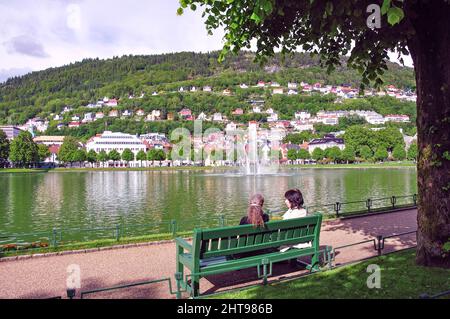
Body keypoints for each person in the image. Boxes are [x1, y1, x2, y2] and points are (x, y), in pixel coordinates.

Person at [280, 189, 311, 253]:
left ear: (292, 200)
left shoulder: (291, 214)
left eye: (287, 199)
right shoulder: (303, 211)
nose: (285, 201)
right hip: (300, 239)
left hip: (289, 241)